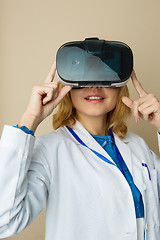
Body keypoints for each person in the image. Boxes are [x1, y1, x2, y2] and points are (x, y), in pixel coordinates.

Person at [0, 60, 160, 240]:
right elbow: (5, 220)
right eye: (84, 78)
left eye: (104, 77)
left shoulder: (137, 145)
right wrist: (30, 118)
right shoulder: (50, 149)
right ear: (67, 88)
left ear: (119, 87)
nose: (94, 86)